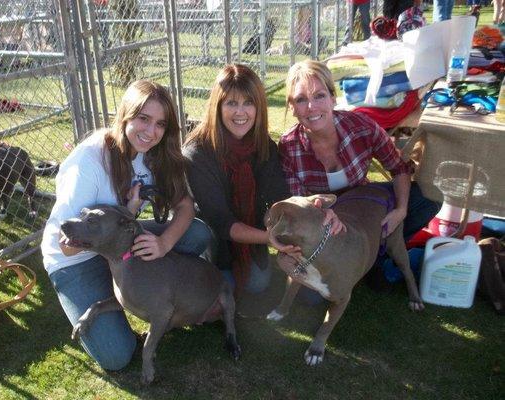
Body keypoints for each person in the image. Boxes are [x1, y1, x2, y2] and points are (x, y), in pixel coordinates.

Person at [41, 80, 211, 371]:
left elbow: (185, 207)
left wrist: (163, 243)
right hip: (77, 260)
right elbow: (65, 246)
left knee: (196, 233)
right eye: (143, 119)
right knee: (117, 356)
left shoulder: (153, 154)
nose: (150, 131)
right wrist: (122, 220)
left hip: (118, 244)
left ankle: (166, 292)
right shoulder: (89, 160)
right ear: (125, 115)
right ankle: (124, 296)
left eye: (160, 123)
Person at [278, 60, 439, 294]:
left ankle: (378, 252)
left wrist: (401, 210)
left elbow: (398, 166)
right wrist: (322, 213)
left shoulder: (361, 126)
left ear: (333, 99)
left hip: (362, 206)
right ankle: (355, 259)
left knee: (429, 198)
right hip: (323, 219)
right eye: (301, 99)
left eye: (319, 96)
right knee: (309, 297)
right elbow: (298, 201)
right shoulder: (288, 146)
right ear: (292, 107)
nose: (311, 107)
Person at [183, 64, 343, 295]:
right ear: (217, 107)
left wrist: (318, 211)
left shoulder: (263, 146)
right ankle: (193, 270)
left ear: (259, 108)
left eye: (249, 103)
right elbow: (220, 222)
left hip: (250, 232)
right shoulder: (197, 153)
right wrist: (269, 238)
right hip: (211, 235)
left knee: (256, 284)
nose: (241, 112)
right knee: (216, 286)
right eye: (231, 103)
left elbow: (280, 198)